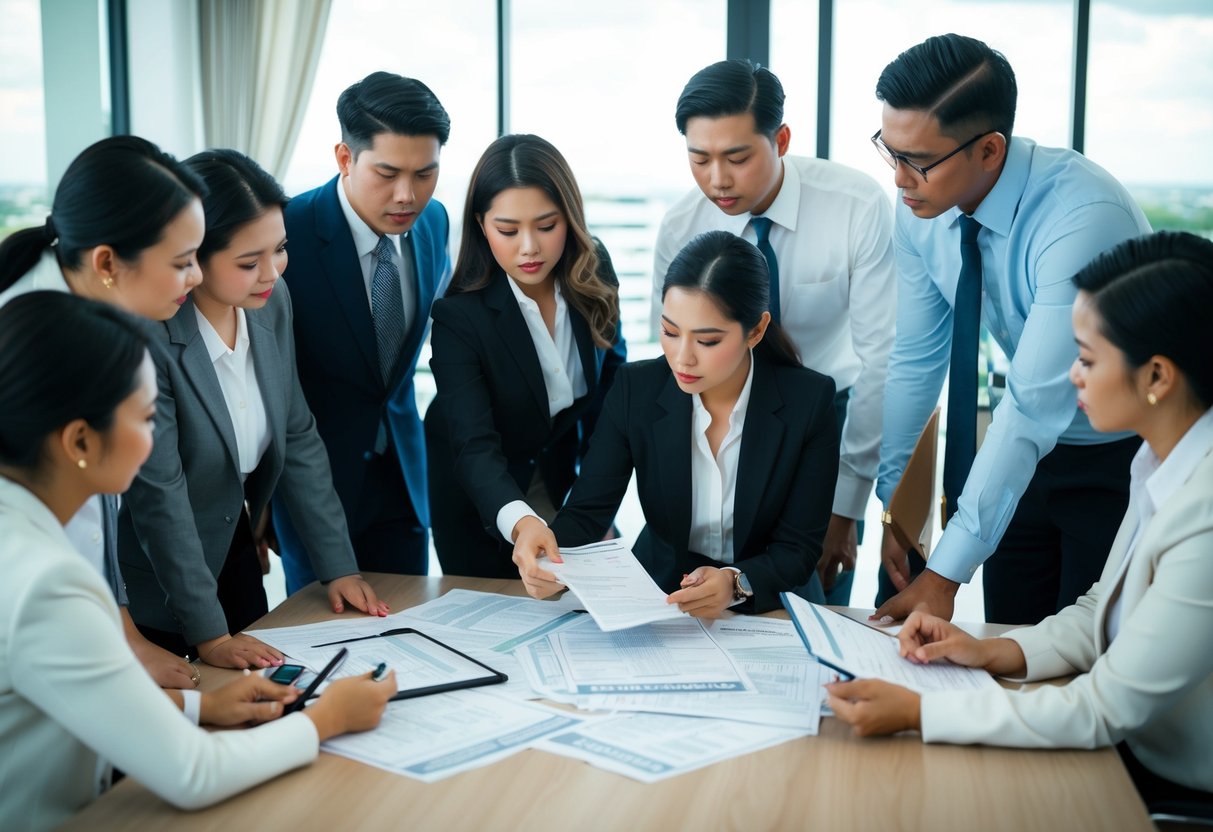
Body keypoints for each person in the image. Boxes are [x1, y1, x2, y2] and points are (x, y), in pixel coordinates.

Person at [827, 230, 1213, 807]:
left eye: (1085, 358)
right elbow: (1101, 611)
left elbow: (1103, 708)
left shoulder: (1204, 513)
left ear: (1157, 376)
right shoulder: (1160, 456)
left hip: (1173, 782)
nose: (1072, 376)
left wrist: (921, 710)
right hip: (1135, 754)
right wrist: (990, 650)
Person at [0, 292, 395, 831]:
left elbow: (81, 699)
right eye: (147, 418)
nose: (158, 439)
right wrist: (327, 718)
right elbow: (194, 773)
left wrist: (200, 709)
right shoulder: (49, 582)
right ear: (80, 441)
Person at [870, 34, 1151, 624]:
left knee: (1084, 654)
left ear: (990, 150)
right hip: (1019, 452)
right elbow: (917, 359)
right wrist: (898, 511)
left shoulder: (1082, 218)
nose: (898, 179)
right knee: (1006, 640)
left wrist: (944, 575)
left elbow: (1032, 402)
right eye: (888, 152)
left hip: (1117, 454)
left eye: (916, 160)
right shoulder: (921, 208)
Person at [118, 150, 388, 669]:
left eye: (280, 249)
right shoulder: (153, 337)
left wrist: (338, 568)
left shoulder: (272, 301)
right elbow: (161, 497)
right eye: (249, 262)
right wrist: (210, 636)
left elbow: (299, 433)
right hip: (159, 584)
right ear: (194, 257)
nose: (272, 272)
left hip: (234, 554)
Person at [651, 59, 895, 607]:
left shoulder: (856, 206)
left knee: (817, 601)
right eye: (699, 158)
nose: (717, 179)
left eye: (737, 157)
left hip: (831, 416)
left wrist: (846, 507)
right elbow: (672, 354)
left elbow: (883, 360)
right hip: (721, 418)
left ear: (780, 139)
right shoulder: (682, 226)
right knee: (720, 603)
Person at [513, 230, 838, 615]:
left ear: (756, 330)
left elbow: (798, 549)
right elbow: (588, 511)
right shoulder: (637, 389)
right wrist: (549, 556)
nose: (682, 358)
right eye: (670, 332)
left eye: (708, 341)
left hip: (773, 601)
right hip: (661, 593)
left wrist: (736, 583)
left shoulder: (809, 402)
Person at [0, 135, 206, 689]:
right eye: (183, 262)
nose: (198, 278)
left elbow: (100, 513)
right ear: (109, 262)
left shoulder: (105, 314)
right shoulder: (26, 341)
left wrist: (127, 638)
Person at [273, 71, 452, 589]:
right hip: (314, 488)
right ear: (345, 158)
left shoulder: (435, 222)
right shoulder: (289, 233)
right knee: (324, 647)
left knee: (412, 637)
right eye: (388, 172)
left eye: (425, 174)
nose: (407, 195)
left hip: (403, 481)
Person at [425, 135, 626, 577]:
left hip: (559, 477)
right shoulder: (459, 316)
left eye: (547, 225)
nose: (530, 247)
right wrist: (519, 520)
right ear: (481, 225)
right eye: (509, 230)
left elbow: (612, 391)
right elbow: (474, 445)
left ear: (570, 218)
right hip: (481, 492)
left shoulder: (594, 269)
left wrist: (595, 503)